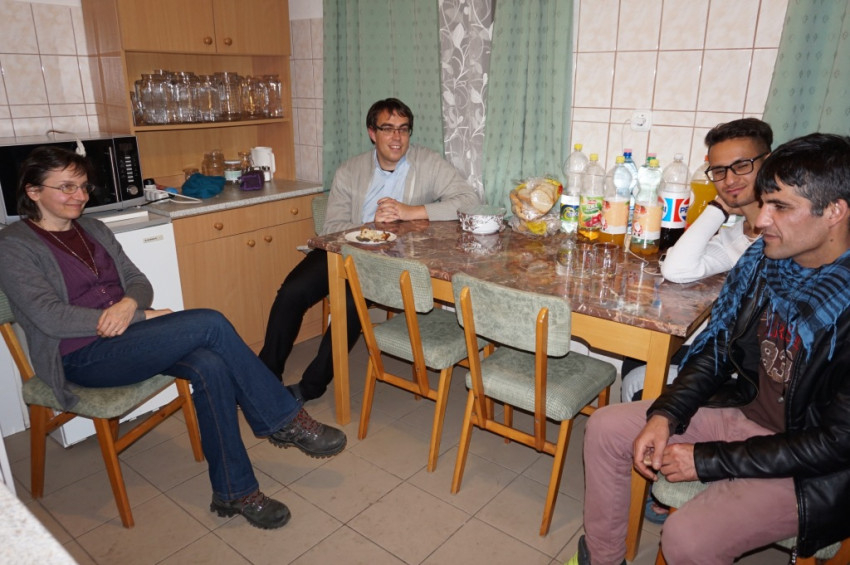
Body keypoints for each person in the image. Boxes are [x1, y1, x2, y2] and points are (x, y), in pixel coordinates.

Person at [0, 146, 347, 530]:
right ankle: (283, 418)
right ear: (33, 191)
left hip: (128, 339)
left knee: (211, 364)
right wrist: (137, 315)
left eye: (83, 186)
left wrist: (129, 304)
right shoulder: (15, 245)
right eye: (67, 187)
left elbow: (138, 282)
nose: (79, 196)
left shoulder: (93, 229)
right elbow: (48, 316)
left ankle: (234, 491)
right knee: (210, 323)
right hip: (81, 356)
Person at [568, 133, 850, 565]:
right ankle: (604, 559)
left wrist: (707, 460)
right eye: (764, 203)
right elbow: (718, 349)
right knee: (607, 427)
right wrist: (666, 415)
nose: (762, 220)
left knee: (686, 538)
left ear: (834, 212)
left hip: (811, 464)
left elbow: (836, 443)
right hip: (745, 413)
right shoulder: (763, 264)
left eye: (780, 207)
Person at [259, 97, 481, 401]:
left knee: (351, 304)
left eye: (403, 129)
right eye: (388, 129)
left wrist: (409, 211)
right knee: (291, 292)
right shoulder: (350, 170)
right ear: (372, 133)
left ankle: (311, 386)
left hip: (393, 260)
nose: (397, 137)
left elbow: (469, 201)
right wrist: (369, 226)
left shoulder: (427, 162)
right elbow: (332, 226)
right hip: (345, 249)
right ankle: (264, 375)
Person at [622, 118, 774, 403]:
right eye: (719, 171)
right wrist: (718, 207)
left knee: (638, 377)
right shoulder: (738, 235)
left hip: (750, 370)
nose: (729, 180)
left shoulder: (782, 238)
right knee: (635, 357)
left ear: (768, 163)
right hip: (728, 349)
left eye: (742, 166)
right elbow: (676, 269)